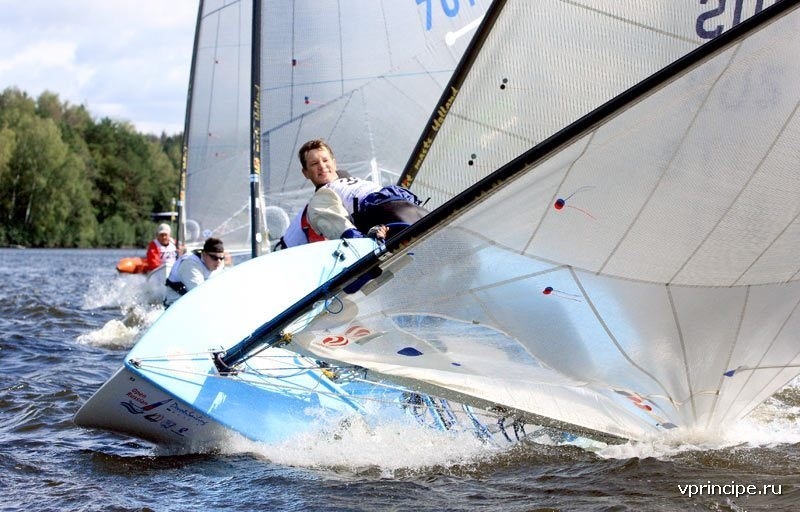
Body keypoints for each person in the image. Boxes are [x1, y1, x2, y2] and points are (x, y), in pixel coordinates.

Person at [278, 139, 426, 248]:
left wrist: (365, 254)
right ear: (305, 173)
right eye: (314, 164)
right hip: (408, 209)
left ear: (334, 163)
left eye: (325, 160)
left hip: (388, 213)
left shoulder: (322, 197)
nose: (322, 166)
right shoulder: (340, 189)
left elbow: (344, 231)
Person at [163, 237, 226, 307]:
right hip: (176, 306)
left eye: (221, 258)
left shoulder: (219, 263)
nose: (219, 261)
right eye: (214, 257)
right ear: (204, 255)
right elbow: (200, 295)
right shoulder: (190, 264)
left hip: (195, 304)